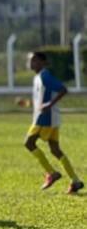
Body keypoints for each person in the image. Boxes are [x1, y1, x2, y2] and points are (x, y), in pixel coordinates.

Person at [19, 51, 84, 193]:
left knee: (29, 143)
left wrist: (49, 104)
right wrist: (27, 103)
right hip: (52, 118)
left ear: (43, 62)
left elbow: (63, 89)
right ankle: (75, 181)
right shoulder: (38, 77)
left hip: (44, 118)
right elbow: (40, 100)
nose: (31, 63)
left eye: (34, 60)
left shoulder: (44, 76)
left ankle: (51, 173)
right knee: (55, 150)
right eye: (30, 61)